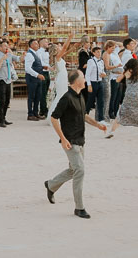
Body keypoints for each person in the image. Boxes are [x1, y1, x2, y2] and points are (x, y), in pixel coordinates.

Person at [43, 70, 106, 219]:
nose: (85, 79)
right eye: (83, 77)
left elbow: (83, 115)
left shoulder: (80, 96)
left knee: (73, 170)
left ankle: (51, 185)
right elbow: (53, 118)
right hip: (70, 141)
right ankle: (79, 208)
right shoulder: (66, 98)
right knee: (80, 170)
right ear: (76, 81)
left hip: (80, 139)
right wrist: (63, 139)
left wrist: (97, 125)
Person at [107, 58, 138, 137]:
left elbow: (117, 80)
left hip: (130, 94)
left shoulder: (126, 72)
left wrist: (121, 73)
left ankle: (112, 131)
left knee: (121, 112)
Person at [25, 39, 45, 120]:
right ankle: (30, 114)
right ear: (31, 45)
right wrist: (37, 75)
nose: (37, 45)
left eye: (37, 43)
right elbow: (27, 68)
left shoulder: (36, 53)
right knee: (31, 96)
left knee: (38, 96)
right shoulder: (29, 54)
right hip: (32, 78)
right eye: (35, 43)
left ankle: (36, 112)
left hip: (38, 78)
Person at [84, 45, 105, 121]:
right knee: (90, 101)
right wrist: (89, 85)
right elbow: (87, 74)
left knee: (101, 101)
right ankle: (85, 115)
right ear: (93, 53)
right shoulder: (90, 61)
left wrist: (104, 74)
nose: (99, 53)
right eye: (97, 52)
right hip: (93, 83)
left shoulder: (101, 61)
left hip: (100, 82)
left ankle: (101, 119)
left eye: (100, 52)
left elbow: (102, 71)